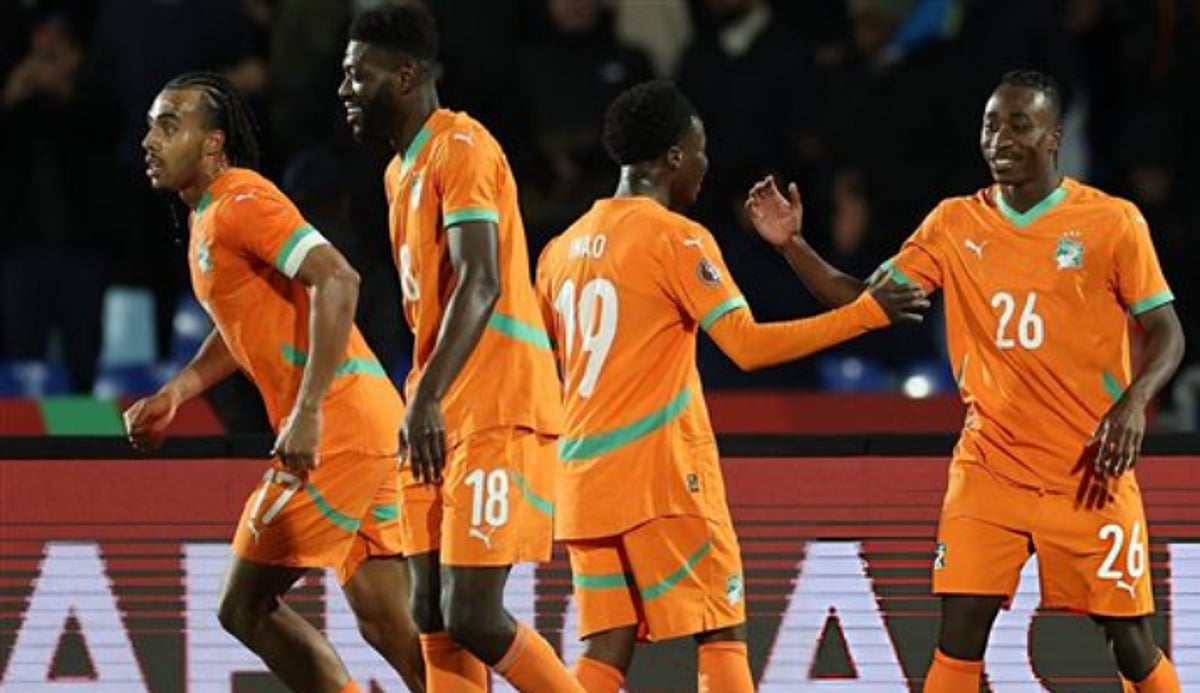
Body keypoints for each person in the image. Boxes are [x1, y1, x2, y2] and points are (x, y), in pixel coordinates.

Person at [745, 70, 1185, 693]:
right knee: (959, 632)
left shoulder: (1111, 222)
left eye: (1019, 124)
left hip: (1087, 467)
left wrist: (1134, 402)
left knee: (1131, 641)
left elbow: (1167, 331)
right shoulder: (954, 224)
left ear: (1054, 136)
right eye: (990, 124)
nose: (1000, 138)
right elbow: (863, 303)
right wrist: (792, 246)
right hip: (989, 466)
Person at [534, 79, 928, 693]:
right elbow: (747, 346)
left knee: (607, 647)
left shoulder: (559, 251)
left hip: (583, 483)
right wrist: (866, 313)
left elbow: (553, 365)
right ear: (673, 157)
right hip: (660, 477)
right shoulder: (677, 237)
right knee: (721, 630)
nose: (705, 165)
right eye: (700, 151)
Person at [124, 71, 424, 693]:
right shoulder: (209, 218)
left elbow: (338, 278)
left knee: (244, 606)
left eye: (168, 126)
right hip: (367, 422)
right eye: (151, 126)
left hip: (336, 427)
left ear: (213, 144)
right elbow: (240, 328)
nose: (149, 140)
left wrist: (308, 411)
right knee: (387, 622)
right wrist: (177, 392)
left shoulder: (242, 200)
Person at [339, 6, 577, 692]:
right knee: (430, 612)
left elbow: (482, 280)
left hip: (495, 402)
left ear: (406, 75)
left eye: (359, 75)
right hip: (439, 407)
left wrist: (428, 397)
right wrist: (427, 398)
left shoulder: (462, 146)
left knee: (472, 610)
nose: (345, 89)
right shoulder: (398, 173)